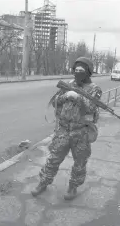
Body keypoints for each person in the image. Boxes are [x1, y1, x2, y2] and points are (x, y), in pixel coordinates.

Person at [31, 57, 102, 200]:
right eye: (76, 70)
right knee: (53, 159)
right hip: (63, 130)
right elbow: (55, 102)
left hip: (81, 131)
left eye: (81, 71)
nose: (78, 73)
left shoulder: (95, 89)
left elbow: (91, 108)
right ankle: (43, 182)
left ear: (88, 72)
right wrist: (67, 95)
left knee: (80, 162)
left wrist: (77, 97)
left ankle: (73, 187)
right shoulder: (68, 84)